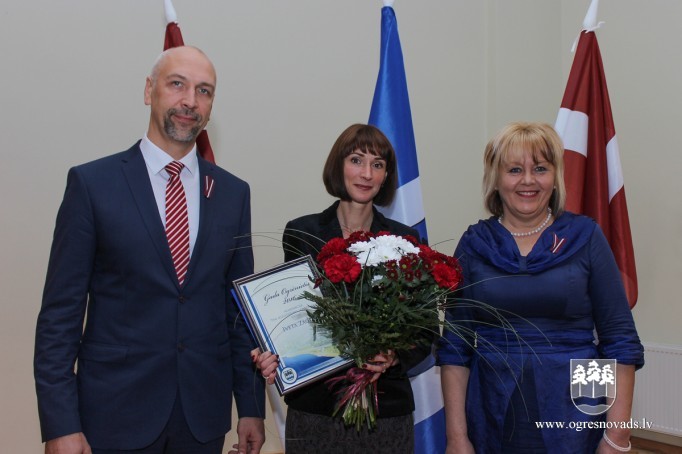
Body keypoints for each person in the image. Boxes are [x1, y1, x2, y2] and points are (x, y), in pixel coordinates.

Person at [34, 46, 265, 454]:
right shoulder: (92, 185)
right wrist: (60, 424)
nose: (190, 101)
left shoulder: (233, 193)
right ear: (149, 91)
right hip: (113, 415)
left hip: (202, 419)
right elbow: (59, 316)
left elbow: (238, 312)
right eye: (177, 84)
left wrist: (250, 407)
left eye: (204, 91)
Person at [437, 122, 644, 453]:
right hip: (492, 403)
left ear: (555, 177)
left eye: (540, 169)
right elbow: (454, 348)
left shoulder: (586, 236)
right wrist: (456, 437)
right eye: (514, 170)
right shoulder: (475, 243)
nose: (528, 180)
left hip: (581, 399)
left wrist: (616, 436)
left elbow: (620, 341)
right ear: (495, 179)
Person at [255, 124, 431, 453]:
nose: (366, 173)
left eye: (377, 164)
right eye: (356, 160)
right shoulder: (302, 233)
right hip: (316, 409)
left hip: (385, 411)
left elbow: (425, 330)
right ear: (339, 166)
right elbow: (292, 318)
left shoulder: (405, 239)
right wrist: (271, 349)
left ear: (386, 176)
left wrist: (393, 355)